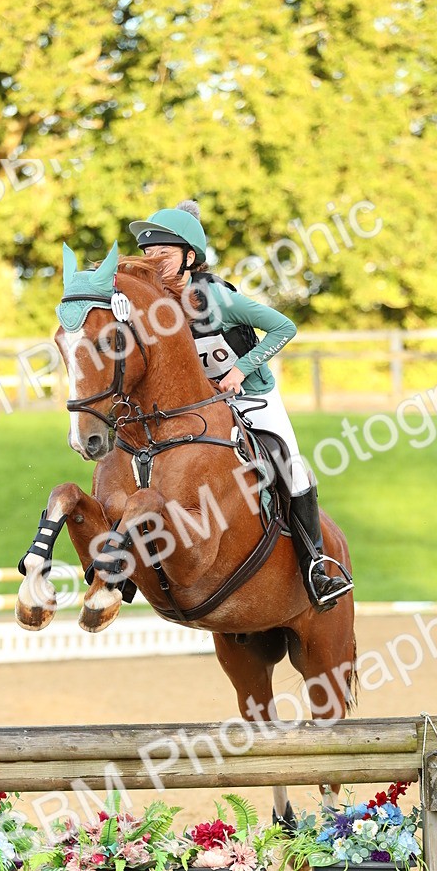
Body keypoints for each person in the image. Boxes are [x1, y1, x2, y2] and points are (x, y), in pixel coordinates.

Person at [128, 200, 352, 610]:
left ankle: (316, 567)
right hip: (200, 408)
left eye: (164, 254)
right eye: (148, 254)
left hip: (253, 396)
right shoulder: (155, 308)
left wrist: (241, 370)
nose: (154, 261)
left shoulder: (219, 299)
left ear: (189, 258)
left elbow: (284, 327)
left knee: (291, 467)